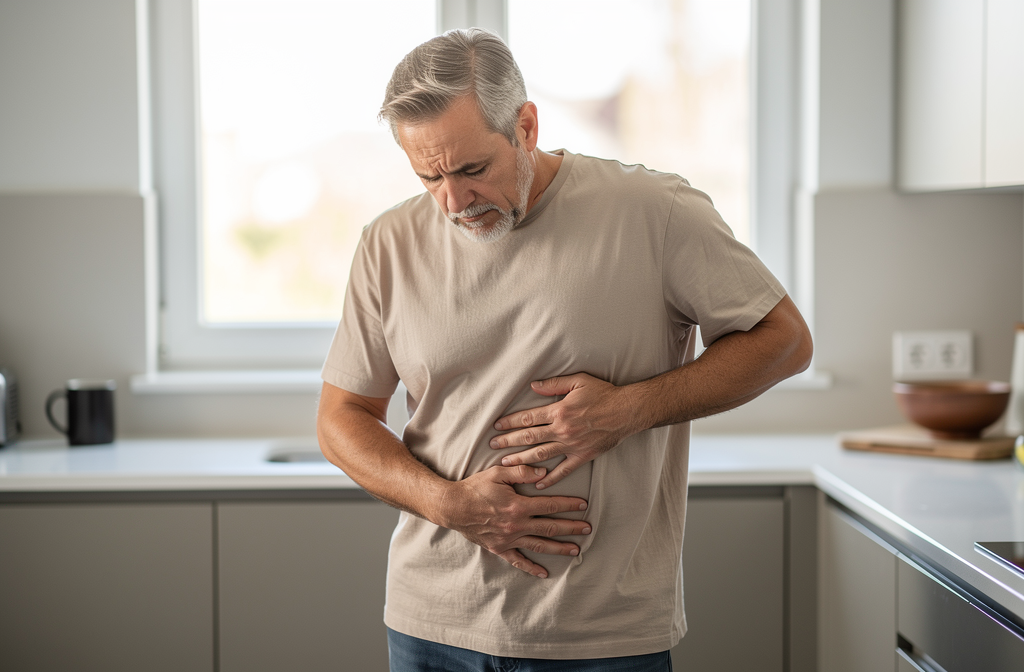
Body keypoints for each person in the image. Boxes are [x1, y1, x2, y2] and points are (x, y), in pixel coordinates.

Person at [317, 28, 813, 671]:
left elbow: (785, 342)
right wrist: (451, 505)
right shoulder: (388, 243)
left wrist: (629, 409)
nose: (453, 202)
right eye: (428, 176)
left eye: (472, 170)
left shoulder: (652, 211)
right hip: (430, 627)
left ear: (525, 125)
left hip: (599, 636)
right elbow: (340, 419)